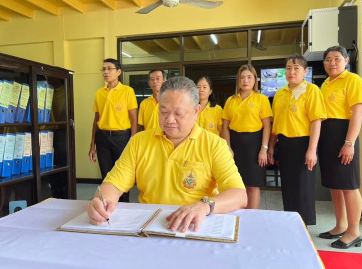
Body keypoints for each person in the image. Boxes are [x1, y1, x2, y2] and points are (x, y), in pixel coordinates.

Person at [87, 76, 247, 232]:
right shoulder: (139, 142)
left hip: (193, 227)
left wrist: (205, 206)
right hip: (148, 225)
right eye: (163, 112)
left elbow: (239, 195)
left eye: (179, 113)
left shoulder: (214, 145)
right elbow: (114, 183)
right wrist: (101, 202)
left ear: (196, 111)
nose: (169, 120)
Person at [268, 54, 326, 226]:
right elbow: (275, 125)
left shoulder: (312, 90)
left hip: (303, 144)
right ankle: (291, 222)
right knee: (288, 187)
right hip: (285, 145)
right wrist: (271, 147)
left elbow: (316, 121)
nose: (291, 72)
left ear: (305, 71)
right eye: (288, 68)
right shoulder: (279, 94)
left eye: (296, 68)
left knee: (303, 187)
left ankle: (304, 225)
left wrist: (311, 150)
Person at [318, 46, 362, 249]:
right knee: (335, 185)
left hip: (344, 135)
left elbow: (358, 112)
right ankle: (340, 225)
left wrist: (349, 143)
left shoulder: (353, 80)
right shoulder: (325, 84)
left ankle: (354, 232)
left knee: (349, 185)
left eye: (337, 58)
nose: (332, 63)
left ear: (346, 61)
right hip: (327, 136)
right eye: (328, 59)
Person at [222, 64, 272, 209]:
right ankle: (239, 216)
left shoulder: (261, 99)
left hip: (255, 145)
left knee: (253, 185)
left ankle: (252, 217)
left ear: (255, 80)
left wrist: (264, 148)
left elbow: (267, 126)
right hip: (235, 145)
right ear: (238, 80)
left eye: (249, 77)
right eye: (242, 77)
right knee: (237, 185)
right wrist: (228, 148)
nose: (245, 80)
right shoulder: (230, 100)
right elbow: (225, 127)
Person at [89, 58, 138, 202]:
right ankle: (108, 204)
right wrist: (92, 145)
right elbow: (96, 120)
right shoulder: (99, 93)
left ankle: (123, 205)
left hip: (122, 138)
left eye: (109, 68)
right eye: (103, 69)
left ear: (118, 72)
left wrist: (132, 141)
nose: (106, 72)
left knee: (123, 174)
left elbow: (134, 118)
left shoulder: (127, 91)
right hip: (102, 138)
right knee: (106, 175)